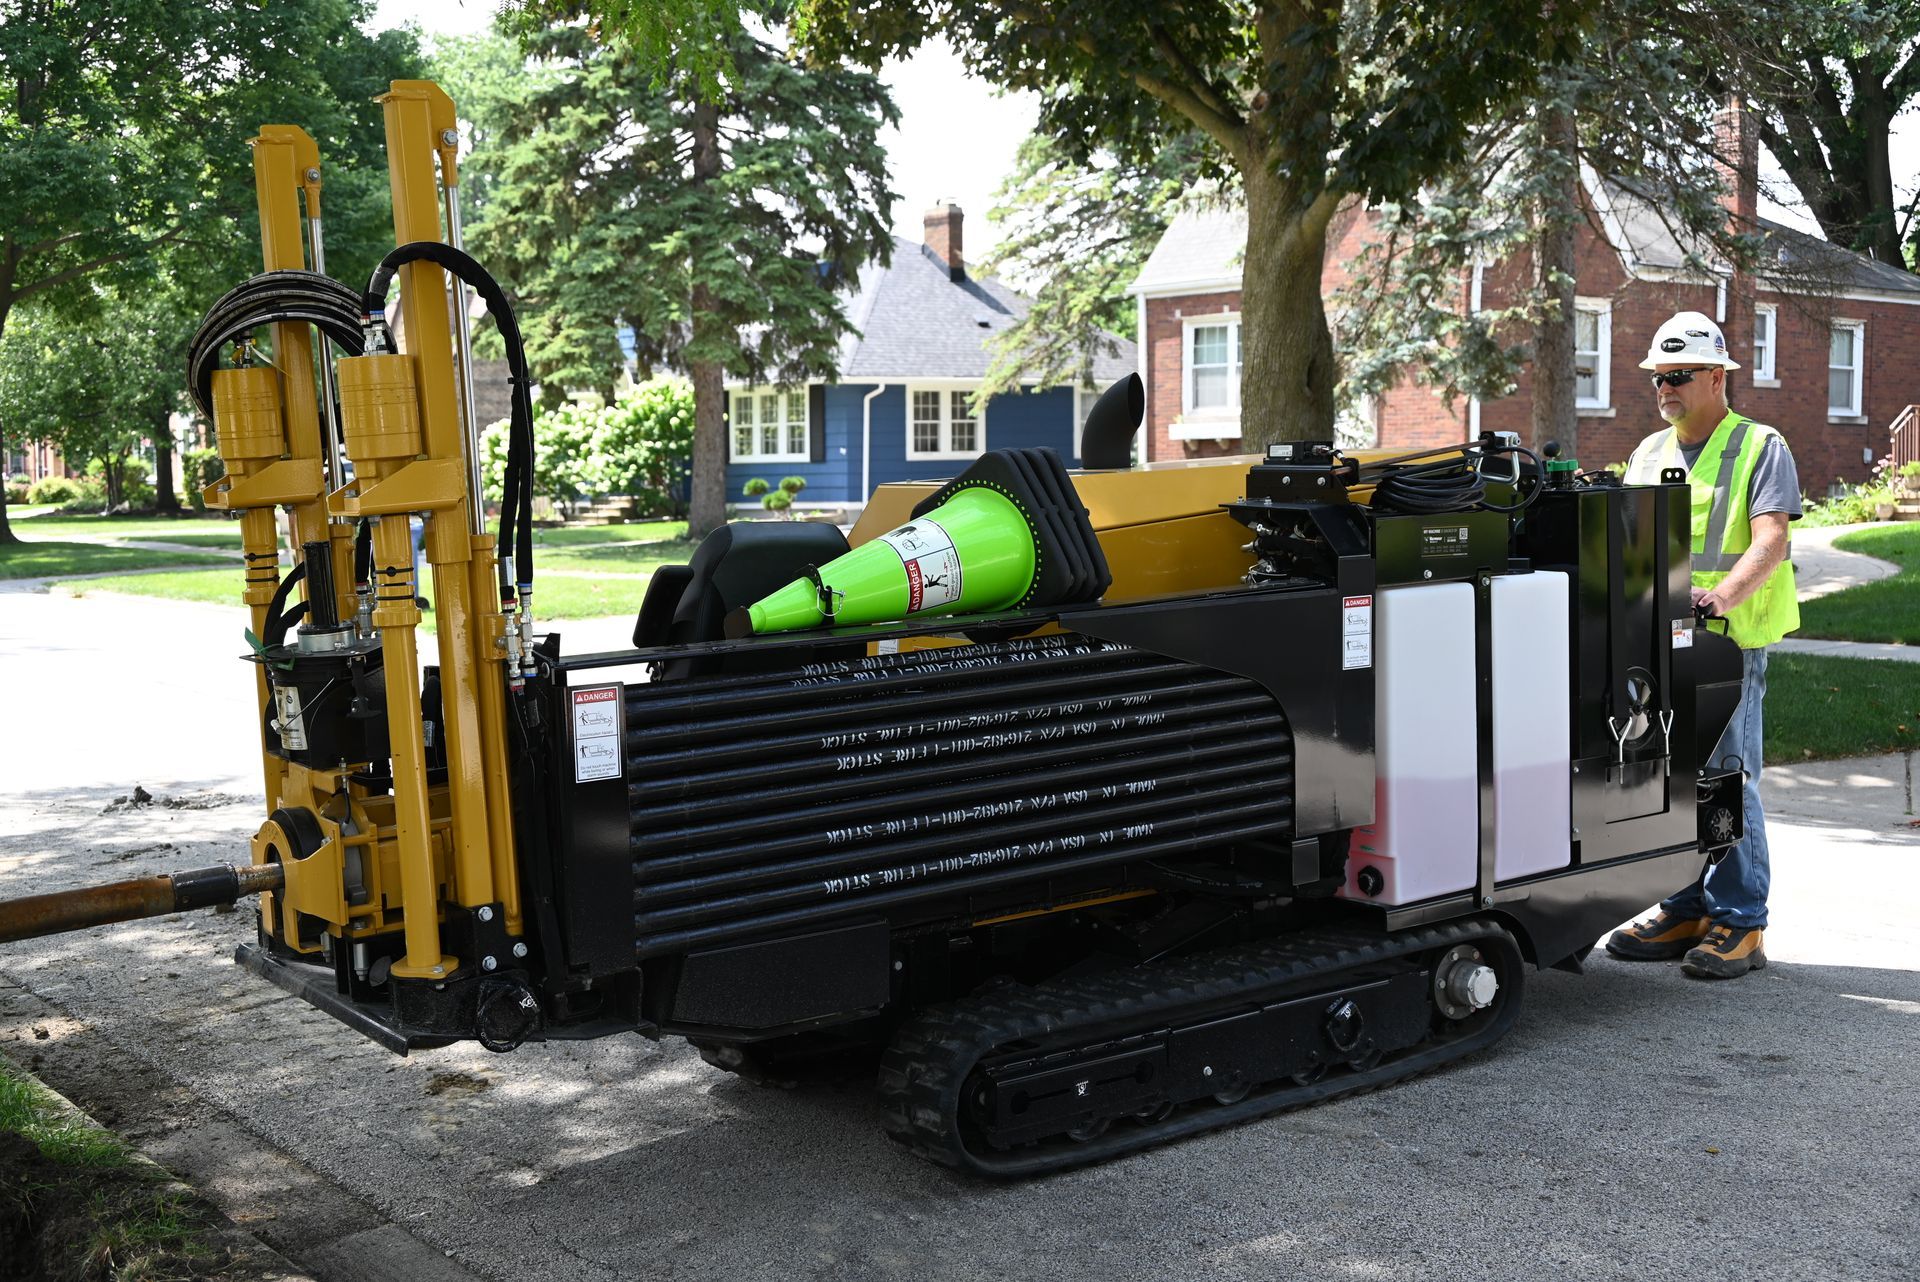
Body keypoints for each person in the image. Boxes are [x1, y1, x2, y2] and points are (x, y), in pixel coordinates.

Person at [1605, 311, 1800, 980]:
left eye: (1678, 375)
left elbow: (1771, 538)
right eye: (1659, 376)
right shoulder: (1648, 452)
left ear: (1717, 376)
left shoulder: (1759, 445)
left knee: (1723, 781)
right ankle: (1687, 904)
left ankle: (1740, 919)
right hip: (1662, 644)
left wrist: (1722, 598)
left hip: (1728, 643)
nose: (1665, 387)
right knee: (1673, 778)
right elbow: (1631, 543)